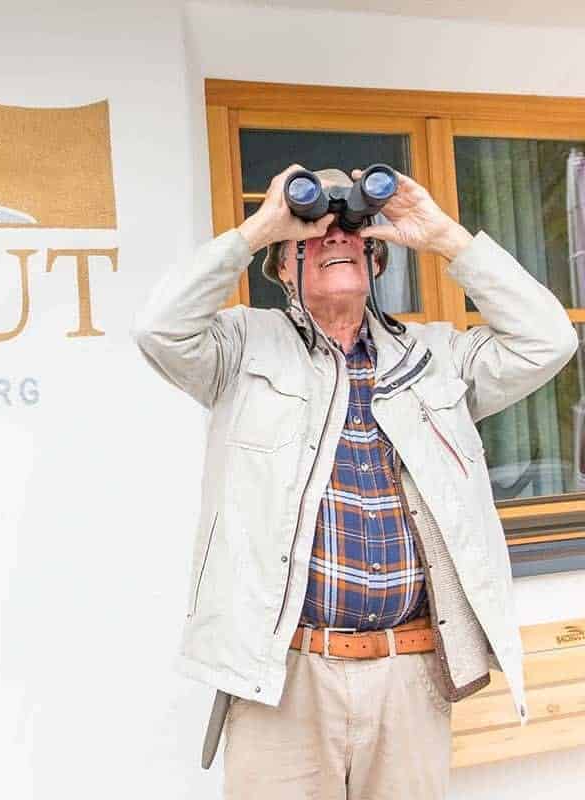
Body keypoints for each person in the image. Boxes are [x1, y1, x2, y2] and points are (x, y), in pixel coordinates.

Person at [130, 164, 578, 798]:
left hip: (410, 673)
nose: (334, 236)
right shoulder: (242, 348)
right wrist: (259, 229)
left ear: (375, 259)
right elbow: (158, 328)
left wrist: (446, 238)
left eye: (351, 230)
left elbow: (547, 340)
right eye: (311, 232)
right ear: (284, 268)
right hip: (283, 675)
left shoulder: (435, 356)